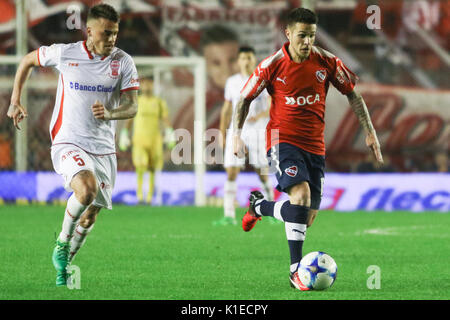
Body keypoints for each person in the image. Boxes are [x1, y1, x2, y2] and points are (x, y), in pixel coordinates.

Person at [232, 8, 383, 291]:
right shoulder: (272, 65)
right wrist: (235, 135)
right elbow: (244, 98)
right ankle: (295, 272)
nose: (307, 42)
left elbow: (353, 93)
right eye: (302, 35)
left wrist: (370, 131)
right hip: (282, 141)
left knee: (306, 216)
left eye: (311, 36)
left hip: (315, 146)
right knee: (299, 197)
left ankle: (258, 206)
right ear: (288, 33)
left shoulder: (326, 61)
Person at [7, 4, 140, 286]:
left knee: (90, 216)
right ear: (89, 31)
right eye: (106, 33)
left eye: (115, 34)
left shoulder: (123, 62)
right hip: (69, 141)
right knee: (86, 189)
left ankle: (64, 266)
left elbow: (132, 106)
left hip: (104, 149)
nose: (112, 39)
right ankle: (61, 245)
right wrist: (15, 99)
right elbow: (27, 61)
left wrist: (111, 113)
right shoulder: (65, 53)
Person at [214, 46, 274, 226]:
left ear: (254, 59)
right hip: (237, 131)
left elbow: (272, 104)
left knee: (262, 172)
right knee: (232, 171)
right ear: (238, 62)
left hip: (258, 130)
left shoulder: (263, 80)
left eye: (249, 57)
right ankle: (228, 215)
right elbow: (226, 109)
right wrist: (222, 132)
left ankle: (271, 213)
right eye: (243, 58)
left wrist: (261, 115)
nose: (246, 61)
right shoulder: (232, 82)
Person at [119, 76, 175, 204]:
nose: (147, 86)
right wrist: (124, 133)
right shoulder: (136, 101)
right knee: (140, 165)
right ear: (140, 85)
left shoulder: (159, 102)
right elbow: (130, 119)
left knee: (152, 168)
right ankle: (139, 195)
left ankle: (149, 197)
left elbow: (165, 119)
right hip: (139, 139)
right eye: (144, 83)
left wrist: (170, 132)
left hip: (155, 140)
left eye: (150, 83)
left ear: (153, 85)